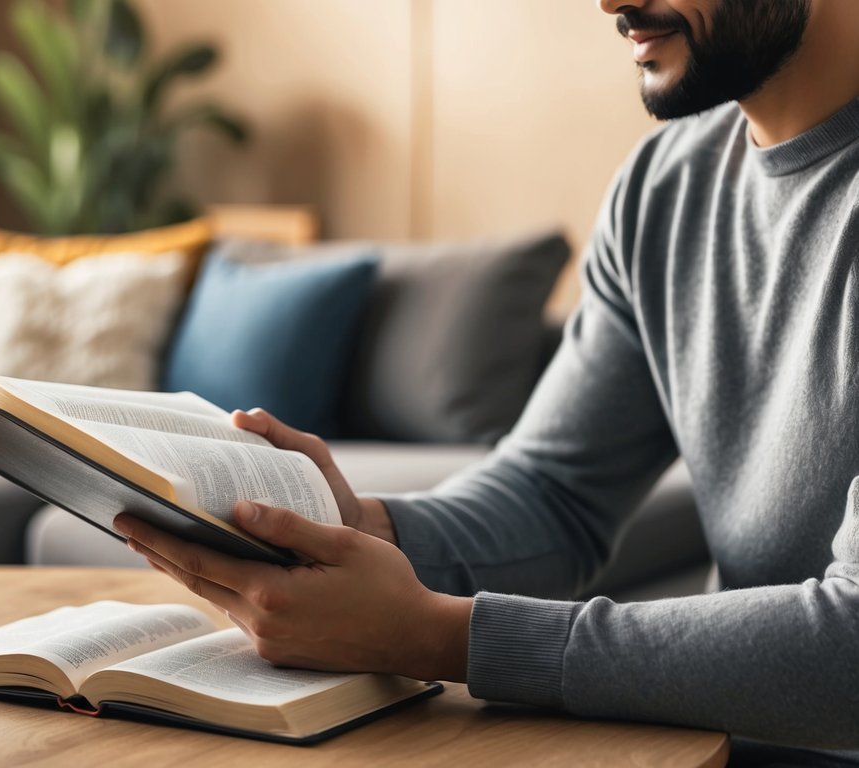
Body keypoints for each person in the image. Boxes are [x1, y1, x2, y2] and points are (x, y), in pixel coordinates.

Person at [115, 0, 859, 762]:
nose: (607, 3)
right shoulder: (665, 185)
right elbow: (554, 494)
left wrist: (440, 638)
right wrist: (364, 528)